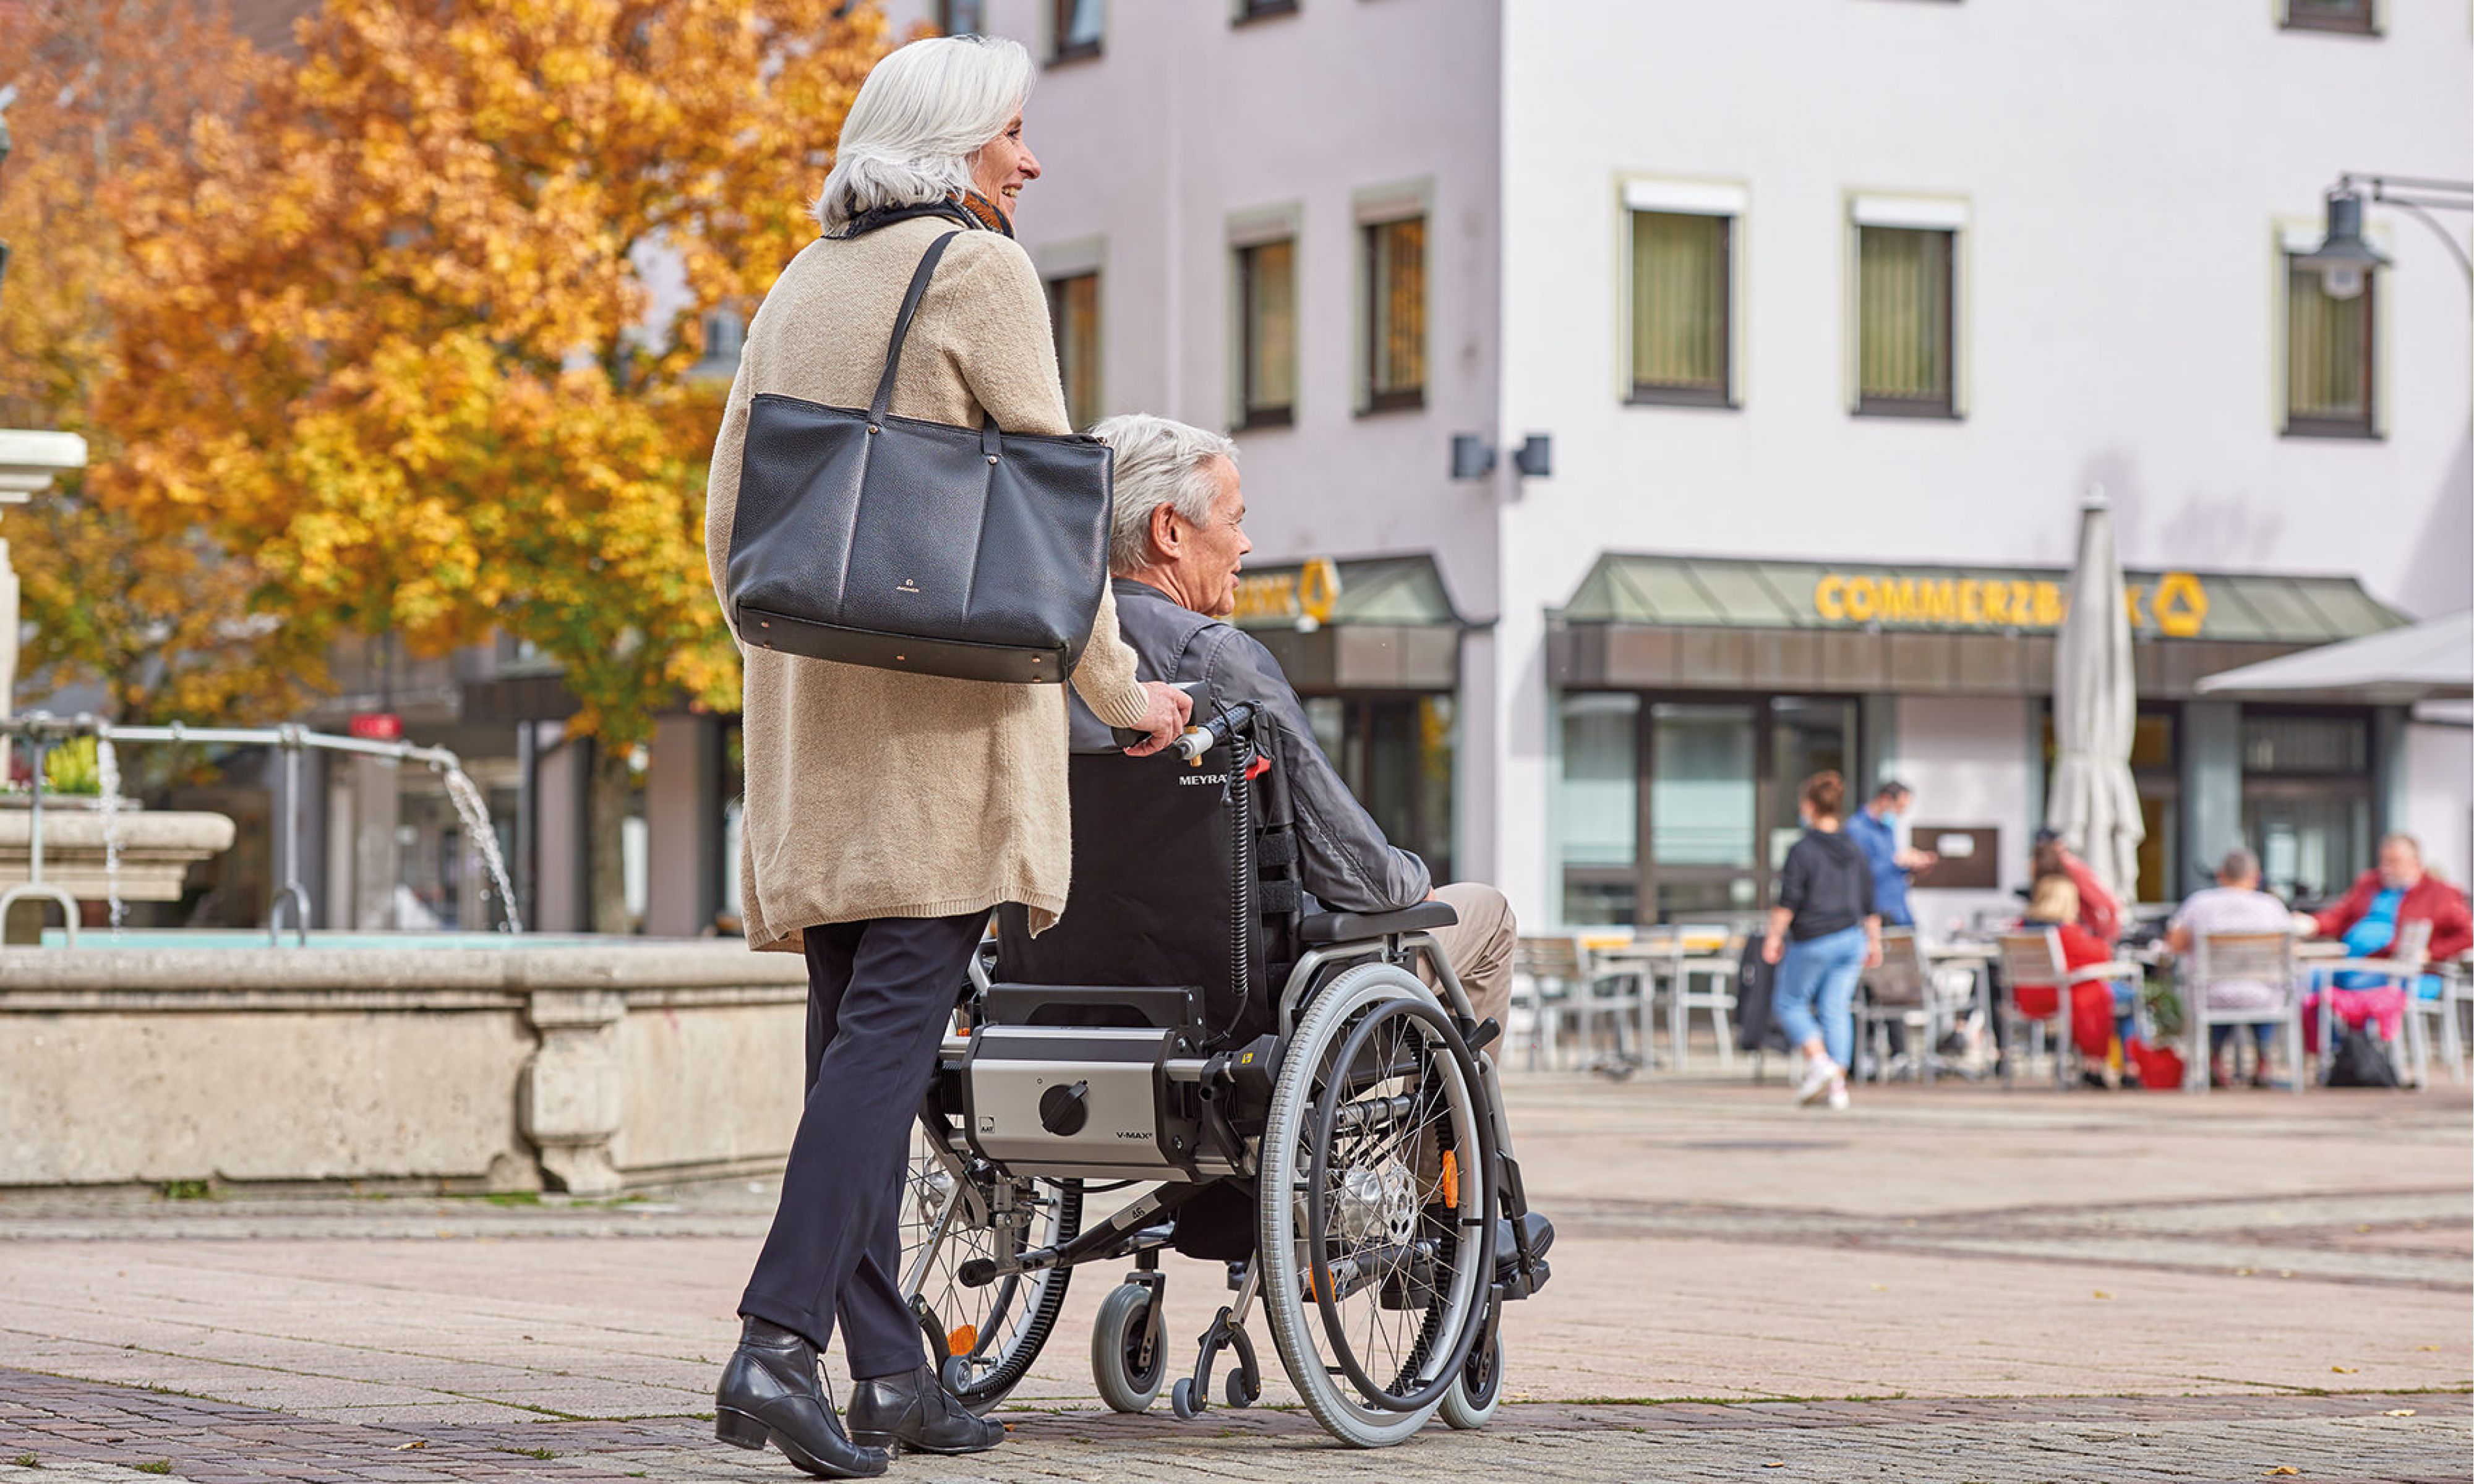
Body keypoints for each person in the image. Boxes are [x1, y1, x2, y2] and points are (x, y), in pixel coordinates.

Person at [700, 37, 1196, 1477]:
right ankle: (774, 1342)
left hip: (815, 729)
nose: (1029, 161)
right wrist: (1127, 691)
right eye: (1015, 134)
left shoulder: (799, 282)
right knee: (887, 1048)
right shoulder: (978, 272)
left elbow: (731, 527)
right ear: (957, 142)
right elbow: (1053, 520)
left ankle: (892, 1371)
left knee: (852, 1050)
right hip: (936, 737)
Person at [1070, 414, 1552, 1270]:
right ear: (1169, 531)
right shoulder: (1217, 660)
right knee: (1480, 917)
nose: (1248, 543)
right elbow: (1363, 877)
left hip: (1057, 1004)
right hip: (1237, 1018)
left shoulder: (1042, 656)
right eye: (1235, 517)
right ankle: (1436, 1213)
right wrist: (1411, 874)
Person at [1761, 772, 1881, 1110]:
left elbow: (1789, 900)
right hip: (1851, 938)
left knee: (1789, 1002)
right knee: (1836, 1009)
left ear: (1810, 806)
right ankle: (1838, 1086)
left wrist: (1773, 937)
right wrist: (1874, 942)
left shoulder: (1803, 850)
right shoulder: (1855, 849)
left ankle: (1820, 1063)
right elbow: (1869, 901)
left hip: (1814, 938)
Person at [2303, 832, 2473, 1054]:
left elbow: (2467, 935)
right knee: (2306, 981)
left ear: (2415, 862)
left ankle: (2360, 1052)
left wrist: (2431, 953)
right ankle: (2337, 1051)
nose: (2386, 868)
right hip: (2354, 964)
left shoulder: (2440, 894)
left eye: (2394, 862)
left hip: (2405, 972)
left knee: (2355, 987)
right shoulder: (2369, 884)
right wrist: (2311, 924)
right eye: (2383, 861)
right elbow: (2339, 915)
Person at [2164, 848, 2296, 1089]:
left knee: (2218, 989)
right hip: (2264, 997)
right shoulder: (2272, 907)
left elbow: (2175, 945)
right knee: (2262, 990)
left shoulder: (2200, 903)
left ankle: (2215, 1059)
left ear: (2220, 875)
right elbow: (2289, 952)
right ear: (2256, 876)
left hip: (2213, 994)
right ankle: (2263, 1059)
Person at [2014, 873, 2129, 1088]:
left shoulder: (2020, 928)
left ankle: (2100, 1065)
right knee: (2125, 996)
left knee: (2095, 990)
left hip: (2028, 998)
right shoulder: (2065, 933)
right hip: (2060, 997)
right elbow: (2102, 954)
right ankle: (2129, 1066)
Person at [1844, 781, 1935, 931]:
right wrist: (1896, 861)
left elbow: (1891, 868)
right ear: (1885, 799)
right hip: (1877, 913)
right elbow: (1858, 874)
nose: (1900, 814)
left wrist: (1913, 866)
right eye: (1899, 808)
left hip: (1899, 910)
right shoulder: (1856, 829)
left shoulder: (1887, 829)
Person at [2032, 828, 2122, 947]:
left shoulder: (2070, 866)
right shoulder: (2042, 867)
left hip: (2081, 931)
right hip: (2064, 931)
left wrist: (2106, 937)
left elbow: (2107, 903)